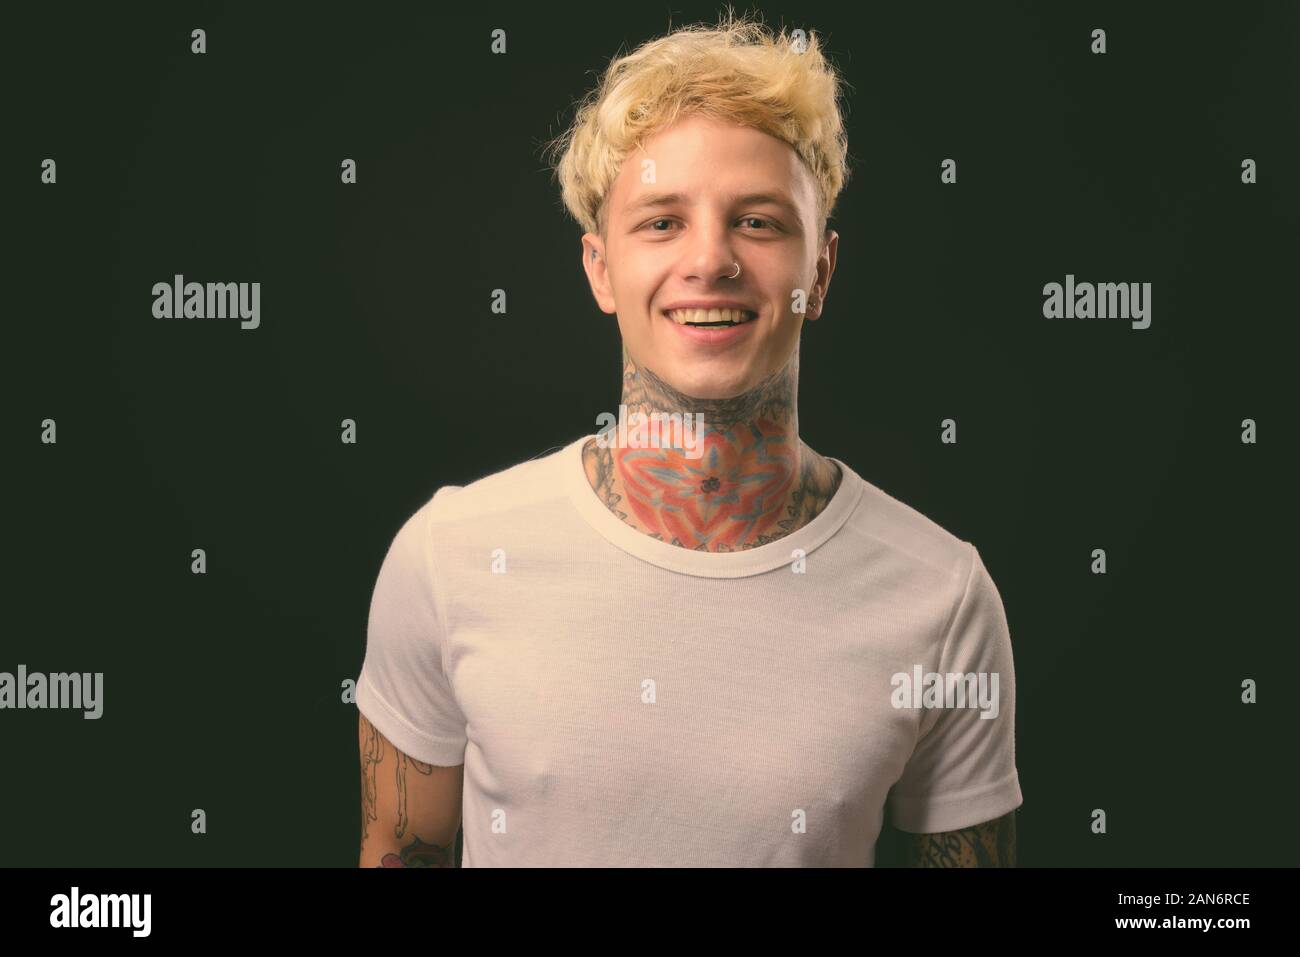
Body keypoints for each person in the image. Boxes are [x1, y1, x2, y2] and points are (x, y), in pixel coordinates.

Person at [357, 11, 1022, 867]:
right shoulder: (450, 555)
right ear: (601, 268)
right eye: (662, 221)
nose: (710, 260)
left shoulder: (944, 598)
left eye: (759, 221)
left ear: (818, 271)